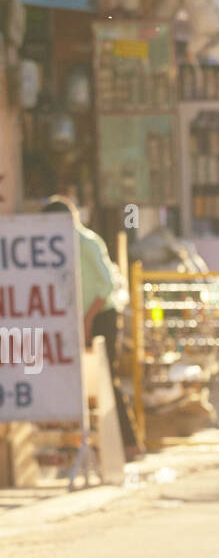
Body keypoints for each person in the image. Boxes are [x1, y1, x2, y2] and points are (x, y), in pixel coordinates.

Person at [42, 196, 142, 459]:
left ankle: (129, 443)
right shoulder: (52, 246)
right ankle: (83, 446)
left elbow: (105, 286)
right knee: (76, 381)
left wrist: (87, 321)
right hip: (74, 318)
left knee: (106, 378)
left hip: (101, 316)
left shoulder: (86, 242)